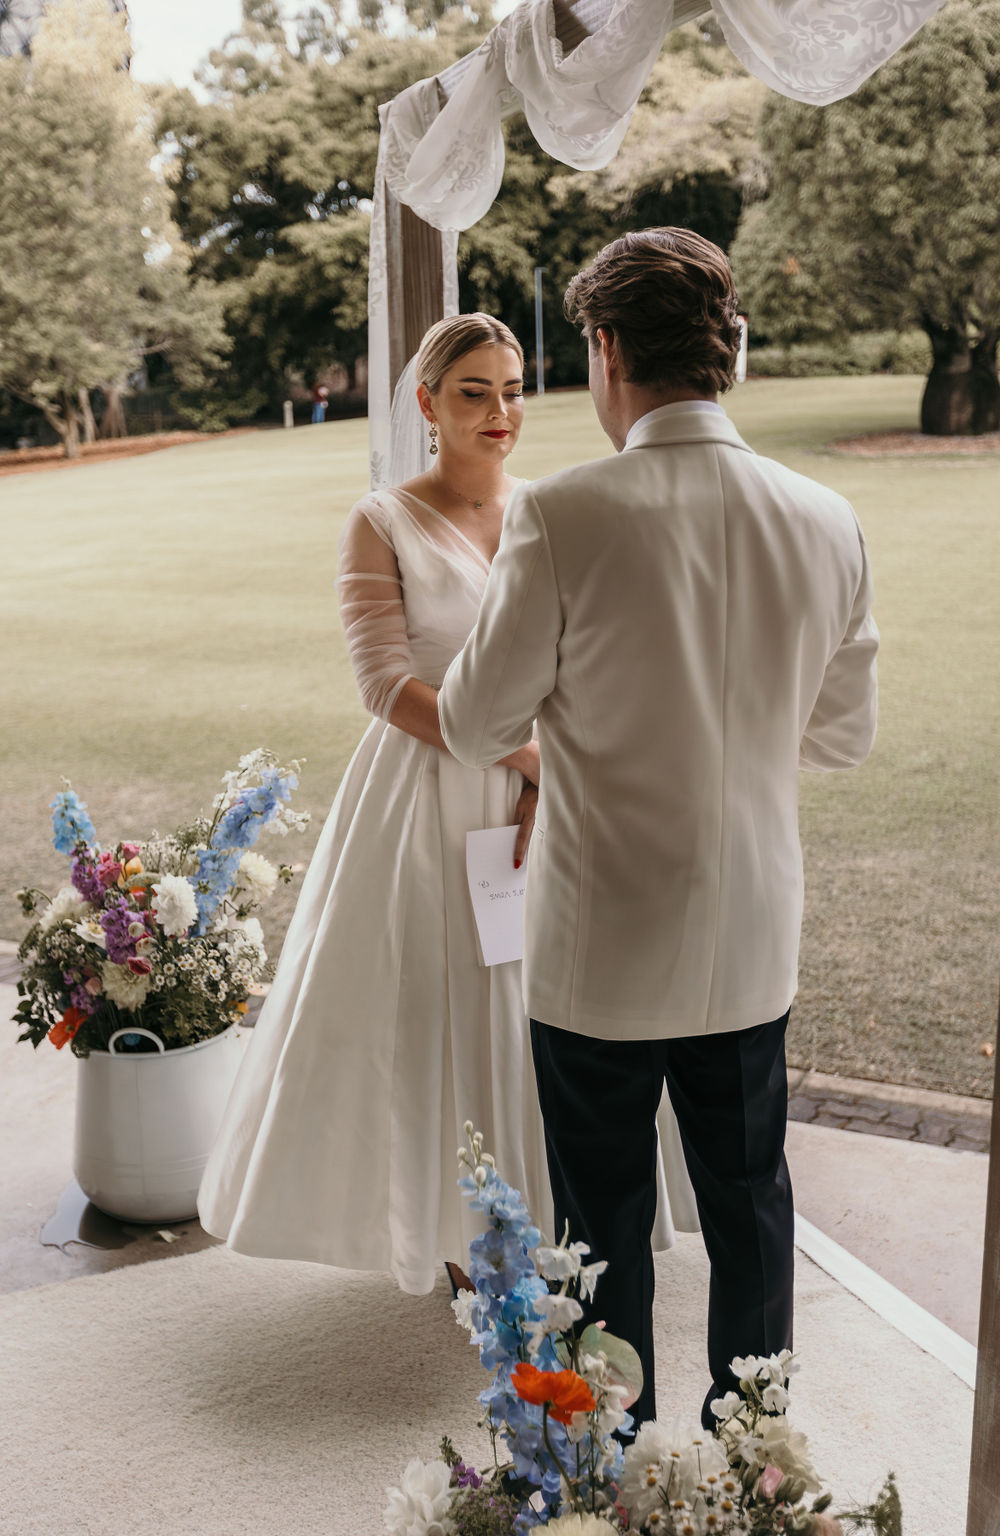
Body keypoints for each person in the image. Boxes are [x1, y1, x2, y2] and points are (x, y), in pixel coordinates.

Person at [438, 232, 879, 1425]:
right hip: (746, 932)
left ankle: (603, 1465)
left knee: (600, 1229)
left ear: (609, 348)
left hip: (595, 951)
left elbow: (477, 719)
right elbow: (841, 738)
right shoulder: (825, 516)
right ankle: (748, 1455)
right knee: (749, 1210)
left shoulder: (567, 514)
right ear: (721, 351)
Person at [198, 313, 696, 1295]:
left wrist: (560, 773)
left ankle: (567, 1219)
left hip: (555, 788)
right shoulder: (380, 520)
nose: (500, 411)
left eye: (513, 390)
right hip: (427, 793)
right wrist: (528, 760)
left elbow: (591, 662)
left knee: (554, 1003)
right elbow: (385, 686)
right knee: (440, 1006)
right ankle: (455, 1234)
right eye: (474, 392)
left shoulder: (555, 510)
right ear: (427, 403)